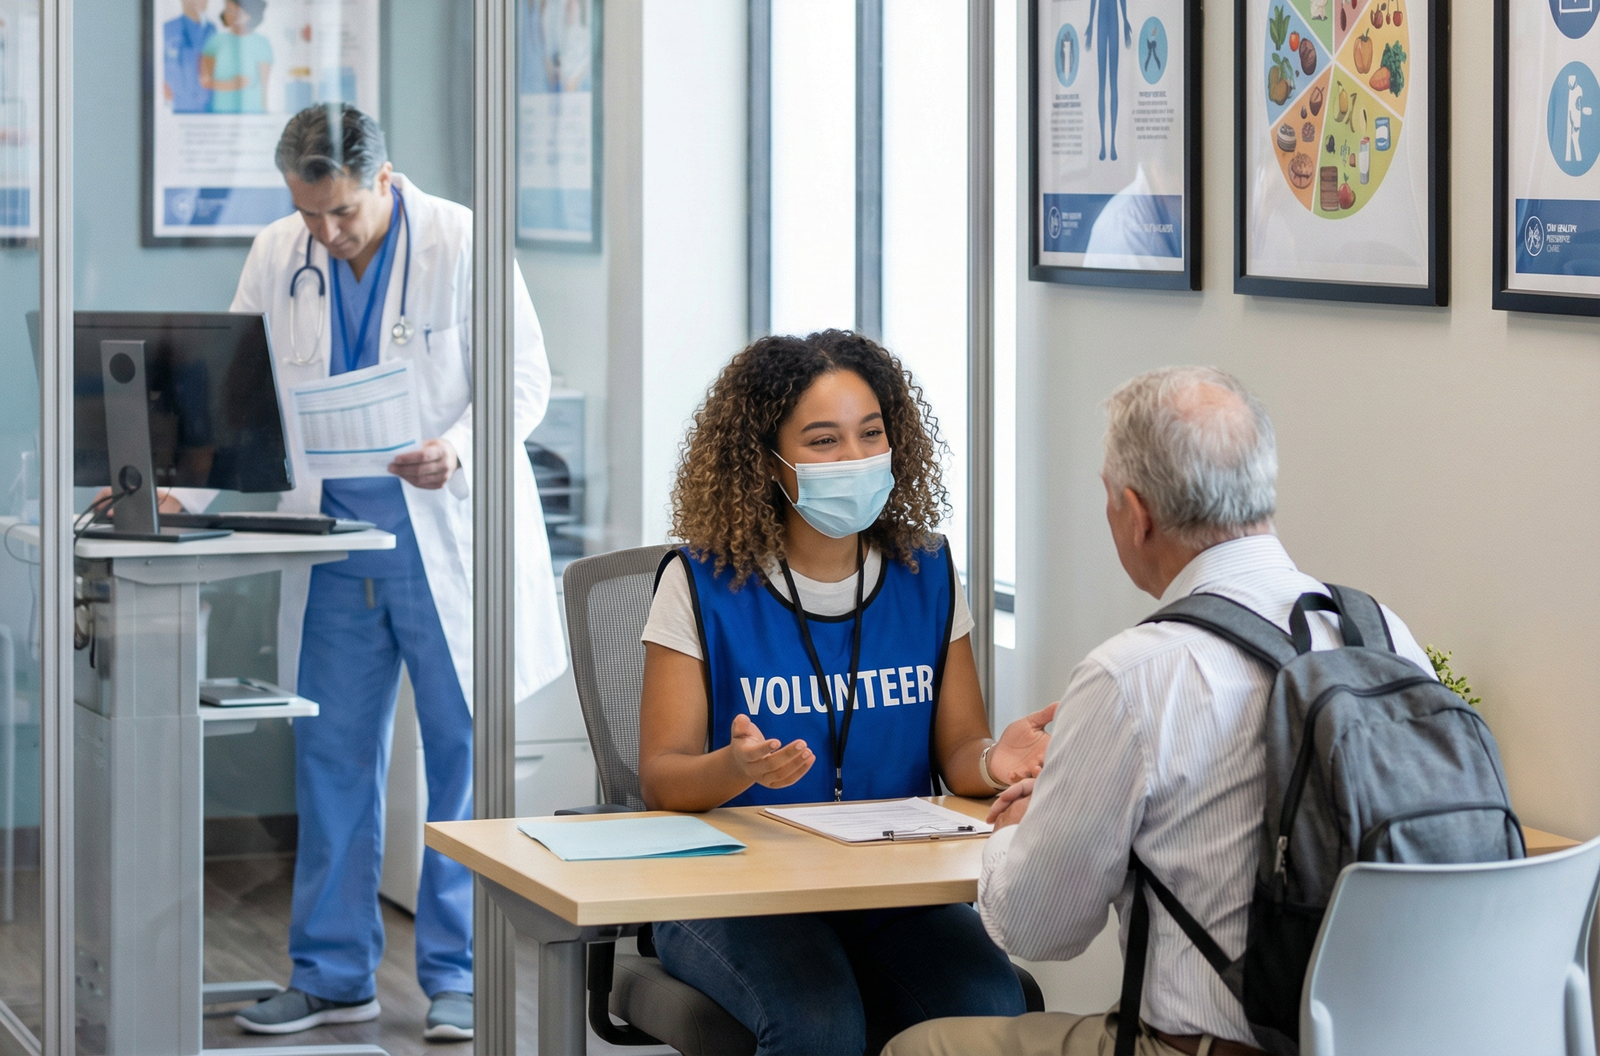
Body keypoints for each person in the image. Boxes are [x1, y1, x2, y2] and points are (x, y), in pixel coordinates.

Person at [884, 366, 1436, 1056]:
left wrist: (1027, 826)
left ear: (1136, 513)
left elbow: (1038, 928)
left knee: (921, 1046)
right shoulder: (1378, 631)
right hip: (1390, 1039)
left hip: (1202, 1048)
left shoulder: (1135, 673)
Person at [225, 104, 566, 1044]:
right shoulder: (275, 253)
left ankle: (458, 973)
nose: (326, 237)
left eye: (341, 213)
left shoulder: (460, 240)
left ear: (382, 179)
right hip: (333, 542)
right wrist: (190, 476)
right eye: (310, 218)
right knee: (331, 756)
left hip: (442, 533)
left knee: (460, 761)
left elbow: (523, 378)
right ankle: (333, 973)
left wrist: (457, 448)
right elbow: (235, 388)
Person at [639, 330, 1057, 1056]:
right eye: (824, 441)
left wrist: (996, 761)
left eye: (871, 434)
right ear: (767, 462)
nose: (856, 459)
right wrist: (735, 769)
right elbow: (661, 778)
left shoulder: (925, 571)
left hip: (888, 889)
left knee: (989, 1002)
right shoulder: (701, 582)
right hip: (735, 896)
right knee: (819, 1023)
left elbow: (958, 749)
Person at [1084, 0, 1130, 162]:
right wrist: (1090, 23)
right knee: (1102, 84)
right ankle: (1103, 145)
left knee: (1114, 84)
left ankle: (1112, 145)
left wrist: (1125, 21)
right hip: (1101, 18)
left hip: (1113, 17)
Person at [200, 0, 273, 113]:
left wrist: (264, 114)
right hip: (219, 115)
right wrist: (233, 84)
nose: (232, 16)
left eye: (238, 11)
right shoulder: (215, 42)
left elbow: (264, 89)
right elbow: (205, 81)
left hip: (252, 116)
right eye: (228, 10)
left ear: (251, 13)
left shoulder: (262, 43)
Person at [162, 0, 214, 112]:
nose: (199, 0)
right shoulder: (168, 30)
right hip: (179, 107)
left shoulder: (212, 30)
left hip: (209, 108)